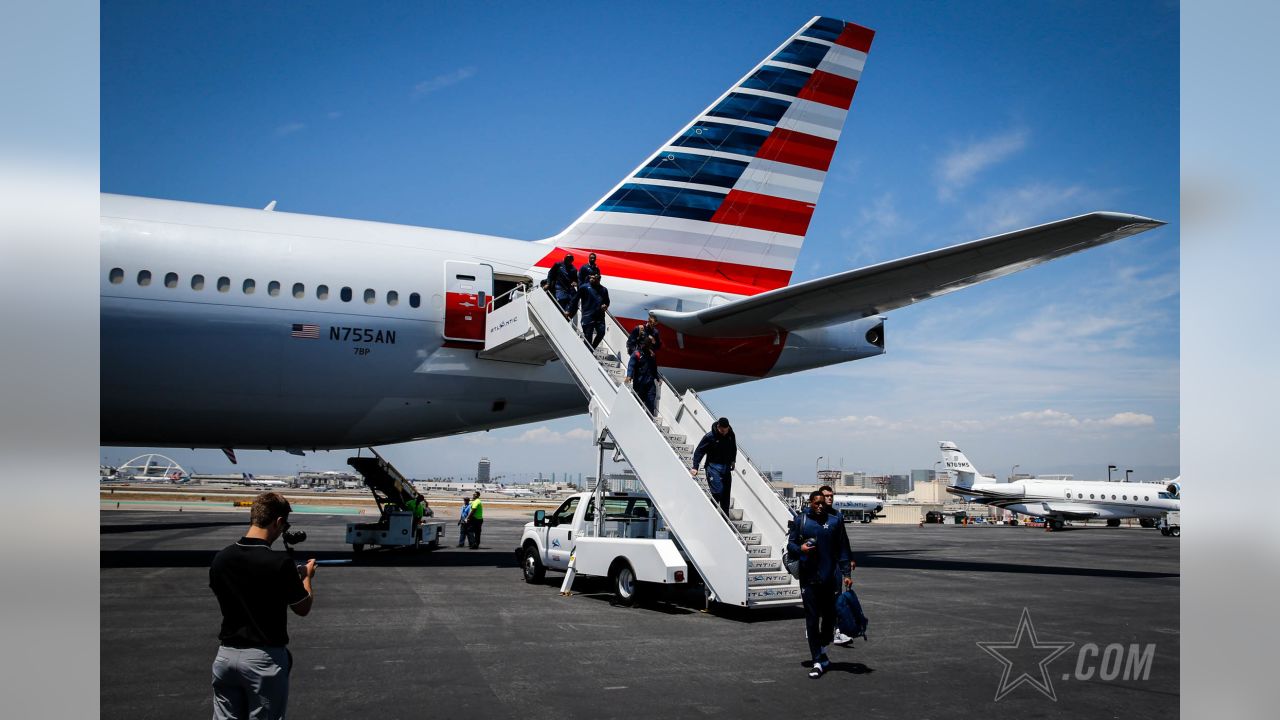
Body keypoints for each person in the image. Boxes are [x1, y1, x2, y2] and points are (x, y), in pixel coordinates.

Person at [209, 492, 316, 719]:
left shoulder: (221, 558)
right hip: (262, 660)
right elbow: (302, 607)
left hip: (226, 656)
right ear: (278, 522)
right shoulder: (279, 564)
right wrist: (306, 577)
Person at [788, 490, 852, 679]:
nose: (820, 506)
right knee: (811, 620)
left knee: (830, 617)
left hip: (830, 578)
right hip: (809, 579)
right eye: (816, 503)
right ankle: (817, 659)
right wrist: (801, 548)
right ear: (810, 503)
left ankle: (822, 646)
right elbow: (790, 545)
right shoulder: (802, 521)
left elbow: (842, 548)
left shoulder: (834, 521)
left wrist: (846, 572)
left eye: (822, 503)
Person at [819, 484, 856, 646]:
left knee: (836, 598)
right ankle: (815, 628)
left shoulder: (837, 517)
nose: (829, 498)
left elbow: (844, 541)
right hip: (818, 565)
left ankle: (837, 631)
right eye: (826, 495)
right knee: (818, 598)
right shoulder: (812, 516)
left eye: (831, 495)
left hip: (834, 565)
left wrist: (849, 559)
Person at [690, 417, 737, 515]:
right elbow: (699, 451)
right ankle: (710, 513)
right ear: (718, 427)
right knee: (718, 491)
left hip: (726, 467)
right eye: (722, 430)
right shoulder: (710, 436)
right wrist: (695, 467)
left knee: (726, 495)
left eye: (726, 430)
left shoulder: (731, 435)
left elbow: (733, 448)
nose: (724, 432)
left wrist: (733, 460)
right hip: (713, 467)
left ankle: (725, 520)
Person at [568, 271, 611, 348]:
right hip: (588, 316)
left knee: (601, 333)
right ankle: (589, 352)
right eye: (590, 277)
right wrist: (569, 310)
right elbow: (575, 299)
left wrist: (605, 305)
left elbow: (607, 301)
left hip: (600, 316)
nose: (591, 279)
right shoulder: (584, 287)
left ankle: (592, 349)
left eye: (593, 278)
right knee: (588, 338)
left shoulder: (604, 290)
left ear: (598, 279)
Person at [625, 337, 660, 416]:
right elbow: (631, 365)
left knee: (650, 402)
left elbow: (654, 368)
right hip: (639, 382)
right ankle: (634, 416)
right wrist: (629, 376)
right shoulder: (636, 354)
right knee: (637, 401)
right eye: (644, 344)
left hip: (650, 383)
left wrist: (658, 378)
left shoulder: (651, 355)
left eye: (647, 345)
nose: (644, 346)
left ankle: (650, 419)